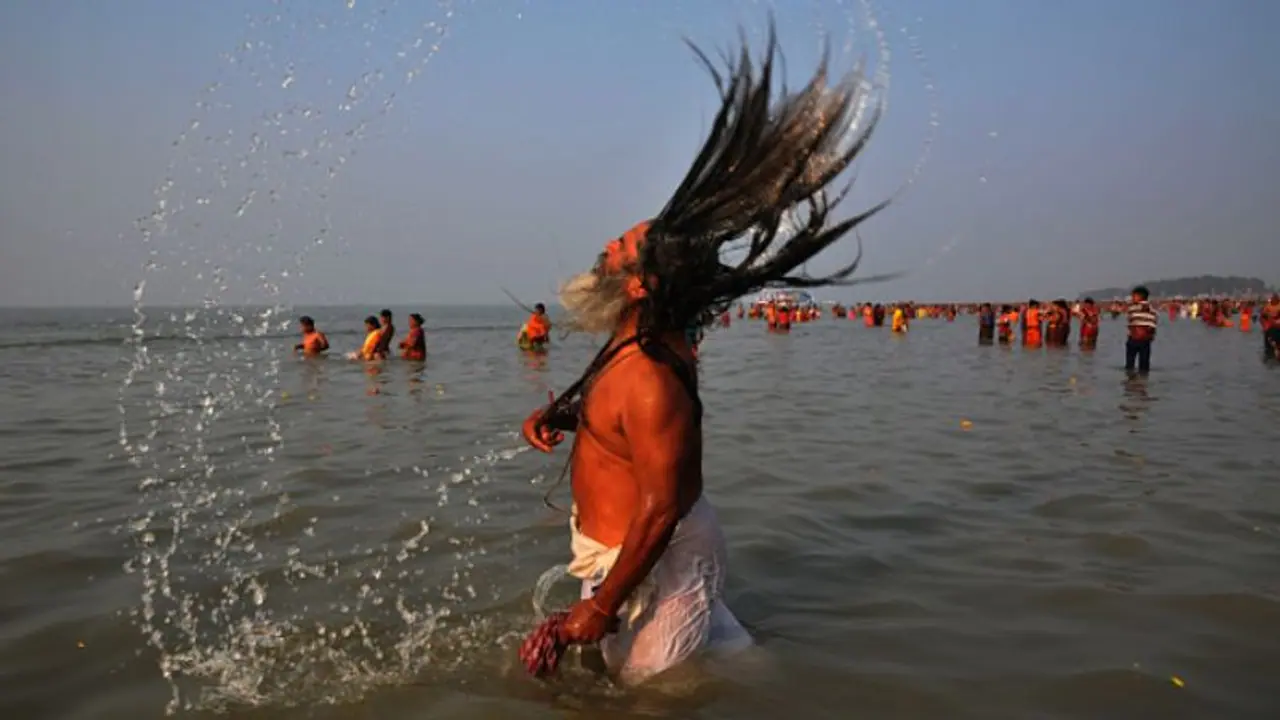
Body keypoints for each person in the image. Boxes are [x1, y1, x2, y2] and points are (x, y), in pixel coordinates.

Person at [517, 23, 887, 685]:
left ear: (638, 285)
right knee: (690, 666)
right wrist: (566, 418)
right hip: (623, 552)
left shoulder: (650, 376)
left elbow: (661, 508)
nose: (606, 248)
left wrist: (601, 606)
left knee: (651, 694)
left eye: (619, 249)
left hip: (664, 554)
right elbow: (621, 425)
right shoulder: (630, 343)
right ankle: (767, 671)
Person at [1125, 285, 1157, 373]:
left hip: (1133, 338)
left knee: (1129, 364)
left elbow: (1130, 321)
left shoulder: (1132, 308)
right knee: (1144, 365)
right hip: (1146, 340)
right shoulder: (1153, 310)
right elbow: (1153, 325)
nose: (1132, 298)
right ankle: (1144, 379)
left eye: (1133, 296)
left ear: (1140, 296)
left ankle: (1130, 379)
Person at [1261, 294, 1280, 360]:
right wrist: (1265, 325)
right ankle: (1270, 350)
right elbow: (1263, 315)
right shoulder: (1268, 305)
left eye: (1275, 299)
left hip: (1274, 323)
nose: (1273, 300)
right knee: (1268, 333)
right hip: (1271, 323)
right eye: (1272, 298)